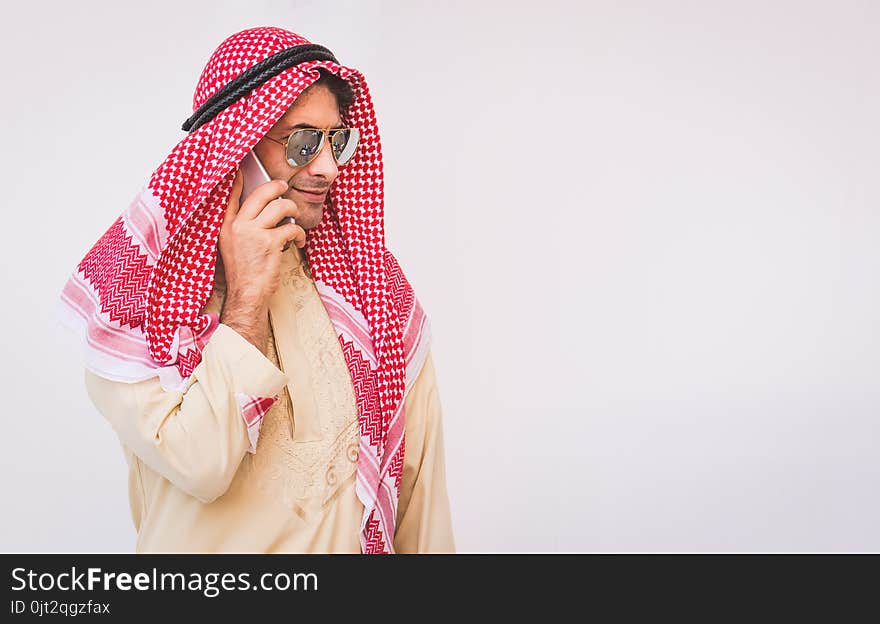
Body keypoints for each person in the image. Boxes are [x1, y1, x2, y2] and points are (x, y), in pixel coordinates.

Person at [58, 26, 454, 554]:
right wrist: (246, 301)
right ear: (234, 145)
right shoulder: (134, 304)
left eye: (336, 141)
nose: (329, 168)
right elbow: (202, 464)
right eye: (302, 143)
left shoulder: (375, 294)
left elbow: (419, 504)